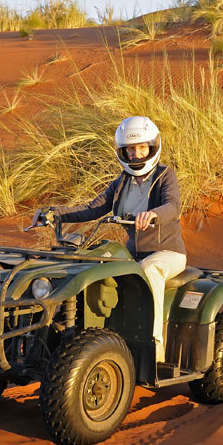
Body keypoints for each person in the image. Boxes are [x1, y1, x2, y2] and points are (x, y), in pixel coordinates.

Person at [40, 116, 186, 363]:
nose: (137, 154)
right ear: (124, 152)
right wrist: (54, 213)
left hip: (167, 254)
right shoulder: (121, 183)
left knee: (150, 269)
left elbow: (172, 206)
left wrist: (153, 215)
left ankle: (154, 347)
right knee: (93, 267)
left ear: (152, 147)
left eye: (142, 148)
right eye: (131, 149)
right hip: (132, 255)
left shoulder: (165, 176)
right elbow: (93, 208)